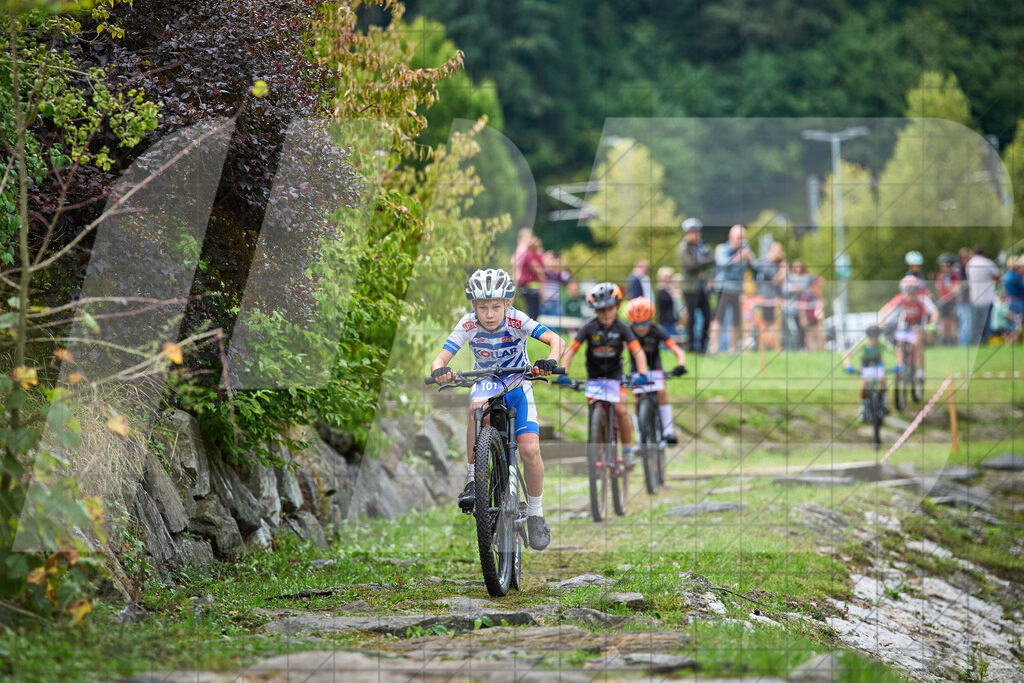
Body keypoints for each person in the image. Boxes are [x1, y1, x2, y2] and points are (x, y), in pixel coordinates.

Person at [430, 268, 565, 551]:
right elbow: (440, 359)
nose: (489, 314)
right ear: (473, 306)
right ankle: (472, 480)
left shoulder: (517, 319)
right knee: (475, 407)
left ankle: (536, 514)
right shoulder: (468, 323)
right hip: (486, 383)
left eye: (495, 306)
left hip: (518, 383)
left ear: (508, 303)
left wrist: (550, 361)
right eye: (482, 307)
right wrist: (441, 371)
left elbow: (557, 340)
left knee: (530, 450)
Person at [557, 282, 650, 469]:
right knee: (597, 414)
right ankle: (597, 454)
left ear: (617, 307)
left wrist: (642, 373)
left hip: (616, 377)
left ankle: (627, 452)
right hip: (594, 378)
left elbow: (637, 351)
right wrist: (563, 372)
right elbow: (571, 350)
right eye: (600, 310)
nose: (605, 314)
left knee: (621, 410)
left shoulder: (622, 328)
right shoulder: (589, 327)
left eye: (609, 309)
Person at [624, 297, 687, 444]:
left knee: (661, 393)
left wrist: (681, 365)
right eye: (636, 323)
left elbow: (677, 350)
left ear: (650, 320)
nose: (640, 327)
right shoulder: (627, 331)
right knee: (636, 399)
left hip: (654, 366)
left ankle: (668, 431)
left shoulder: (657, 330)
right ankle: (639, 437)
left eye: (644, 323)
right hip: (636, 368)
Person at [879, 275, 939, 383]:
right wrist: (882, 323)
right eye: (907, 292)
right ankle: (901, 366)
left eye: (912, 292)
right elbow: (884, 310)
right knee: (899, 343)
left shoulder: (922, 298)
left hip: (919, 323)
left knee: (917, 343)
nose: (910, 296)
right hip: (906, 323)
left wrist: (932, 324)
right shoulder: (900, 298)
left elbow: (934, 312)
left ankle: (920, 372)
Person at [708, 224, 753, 355]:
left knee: (736, 320)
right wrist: (738, 258)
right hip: (724, 288)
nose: (741, 240)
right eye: (738, 237)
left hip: (738, 289)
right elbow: (722, 264)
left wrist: (749, 261)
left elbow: (755, 269)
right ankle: (714, 347)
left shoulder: (746, 249)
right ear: (730, 237)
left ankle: (732, 349)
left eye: (743, 238)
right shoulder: (722, 248)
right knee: (719, 318)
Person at [678, 218, 714, 353]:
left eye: (696, 232)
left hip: (702, 287)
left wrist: (701, 261)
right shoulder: (683, 248)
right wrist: (703, 261)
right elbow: (690, 266)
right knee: (691, 318)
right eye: (691, 232)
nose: (695, 235)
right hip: (690, 288)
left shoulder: (703, 246)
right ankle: (691, 345)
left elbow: (711, 260)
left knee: (707, 316)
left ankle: (703, 345)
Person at [843, 325, 889, 420]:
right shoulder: (862, 343)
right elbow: (847, 354)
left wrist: (899, 364)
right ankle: (862, 406)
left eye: (875, 338)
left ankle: (885, 402)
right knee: (863, 385)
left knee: (883, 380)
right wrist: (848, 366)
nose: (873, 341)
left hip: (878, 363)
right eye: (871, 338)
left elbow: (896, 350)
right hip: (865, 364)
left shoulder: (882, 343)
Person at [966, 246, 1001, 344]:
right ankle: (986, 341)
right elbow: (998, 276)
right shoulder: (987, 262)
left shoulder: (969, 264)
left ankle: (975, 341)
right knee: (987, 321)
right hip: (987, 298)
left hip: (974, 298)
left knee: (976, 322)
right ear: (983, 253)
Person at [756, 242, 786, 350]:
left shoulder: (776, 264)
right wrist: (783, 270)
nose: (780, 254)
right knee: (766, 324)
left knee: (774, 324)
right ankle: (765, 348)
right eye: (778, 251)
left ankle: (775, 348)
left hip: (774, 299)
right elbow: (775, 280)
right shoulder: (766, 264)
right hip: (766, 299)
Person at [512, 229, 545, 319]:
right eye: (528, 237)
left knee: (532, 311)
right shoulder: (526, 253)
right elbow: (538, 270)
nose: (530, 240)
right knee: (533, 312)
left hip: (526, 286)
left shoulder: (521, 252)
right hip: (529, 287)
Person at [782, 260, 811, 350]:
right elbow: (784, 291)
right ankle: (793, 346)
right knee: (792, 329)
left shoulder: (806, 278)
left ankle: (802, 346)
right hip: (792, 309)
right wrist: (791, 289)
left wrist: (800, 290)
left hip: (803, 308)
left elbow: (808, 291)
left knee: (802, 328)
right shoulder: (789, 278)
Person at [934, 253, 961, 346]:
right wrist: (950, 287)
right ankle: (944, 342)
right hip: (943, 302)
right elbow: (938, 287)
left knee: (953, 323)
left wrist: (947, 286)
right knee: (944, 323)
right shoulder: (940, 276)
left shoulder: (955, 276)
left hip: (953, 302)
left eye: (947, 266)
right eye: (943, 266)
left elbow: (957, 290)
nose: (945, 268)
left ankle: (953, 341)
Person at [798, 276, 825, 352]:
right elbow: (802, 307)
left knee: (819, 334)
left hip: (816, 319)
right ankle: (811, 351)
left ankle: (820, 351)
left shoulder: (817, 293)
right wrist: (803, 318)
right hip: (809, 318)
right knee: (810, 335)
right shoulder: (806, 294)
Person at [540, 251, 570, 317]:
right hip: (545, 300)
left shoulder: (559, 274)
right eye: (549, 259)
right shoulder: (543, 273)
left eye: (553, 259)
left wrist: (563, 266)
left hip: (556, 301)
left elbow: (567, 277)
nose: (551, 262)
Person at [1002, 255, 1024, 343]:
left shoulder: (1006, 275)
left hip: (1009, 299)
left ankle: (1010, 340)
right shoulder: (1016, 276)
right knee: (1018, 320)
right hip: (1017, 300)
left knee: (1011, 321)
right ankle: (1015, 339)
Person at [655, 267, 680, 341]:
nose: (668, 279)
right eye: (666, 277)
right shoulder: (661, 291)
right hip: (665, 321)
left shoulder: (670, 290)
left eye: (669, 277)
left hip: (671, 320)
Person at [956, 247, 973, 345]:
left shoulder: (966, 269)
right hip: (962, 301)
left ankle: (965, 343)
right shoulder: (959, 270)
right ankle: (963, 343)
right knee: (965, 323)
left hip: (968, 301)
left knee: (967, 323)